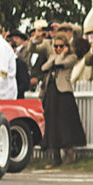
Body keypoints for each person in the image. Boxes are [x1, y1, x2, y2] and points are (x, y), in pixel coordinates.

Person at [38, 33, 84, 166]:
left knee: (64, 123)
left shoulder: (71, 57)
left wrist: (61, 55)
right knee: (51, 123)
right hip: (51, 93)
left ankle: (69, 154)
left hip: (64, 94)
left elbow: (60, 64)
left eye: (61, 46)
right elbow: (44, 67)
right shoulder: (53, 56)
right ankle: (55, 156)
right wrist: (55, 56)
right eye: (56, 46)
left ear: (66, 46)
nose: (58, 48)